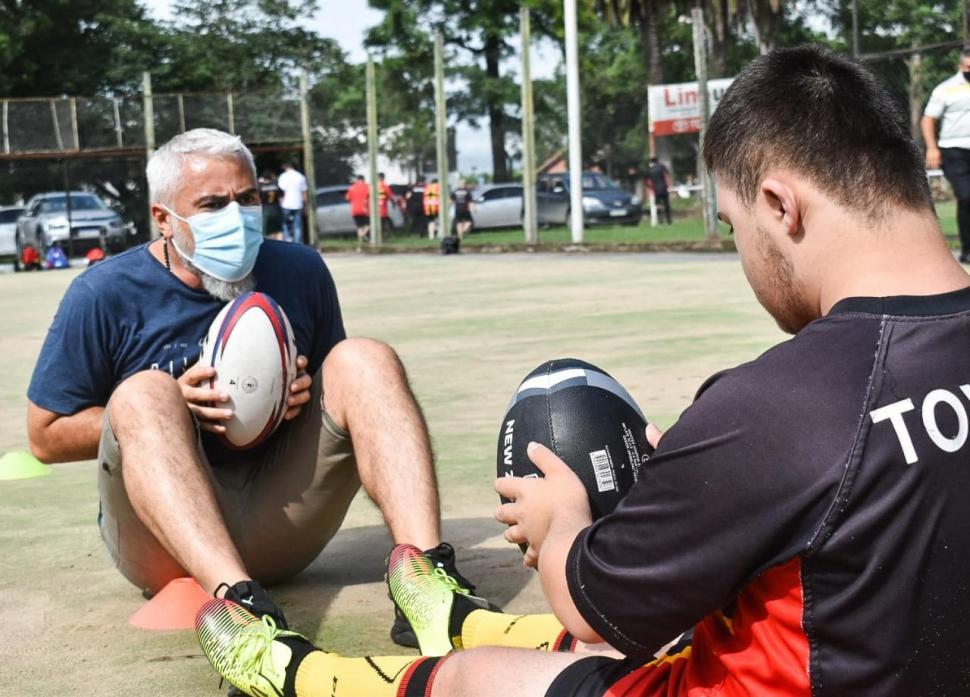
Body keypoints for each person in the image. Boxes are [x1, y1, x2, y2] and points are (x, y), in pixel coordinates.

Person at [196, 47, 970, 697]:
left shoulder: (774, 407)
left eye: (733, 226)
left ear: (780, 205)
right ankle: (459, 614)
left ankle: (299, 672)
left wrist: (562, 524)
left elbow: (599, 607)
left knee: (480, 676)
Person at [25, 128, 482, 650]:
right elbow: (45, 436)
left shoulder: (299, 269)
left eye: (247, 198)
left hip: (278, 515)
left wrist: (304, 391)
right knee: (147, 392)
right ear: (162, 219)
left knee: (366, 358)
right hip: (163, 544)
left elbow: (346, 390)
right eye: (212, 204)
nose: (235, 216)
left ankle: (428, 585)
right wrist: (178, 409)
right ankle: (240, 611)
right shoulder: (104, 292)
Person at [922, 47, 970, 263]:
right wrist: (932, 147)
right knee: (967, 196)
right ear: (963, 63)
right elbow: (928, 119)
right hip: (955, 150)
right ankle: (968, 249)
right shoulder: (946, 89)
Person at [277, 161, 307, 244]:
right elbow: (304, 192)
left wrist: (280, 202)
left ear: (286, 168)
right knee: (297, 226)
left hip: (286, 203)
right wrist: (305, 205)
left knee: (285, 224)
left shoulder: (283, 176)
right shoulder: (300, 176)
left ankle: (287, 240)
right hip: (298, 203)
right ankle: (297, 243)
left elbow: (281, 191)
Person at [645, 157, 672, 225]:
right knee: (666, 205)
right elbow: (667, 174)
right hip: (664, 188)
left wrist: (651, 187)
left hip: (656, 190)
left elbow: (646, 182)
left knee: (658, 205)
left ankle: (660, 220)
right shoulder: (662, 167)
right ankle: (669, 220)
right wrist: (669, 185)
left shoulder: (650, 170)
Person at [258, 169, 283, 239]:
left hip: (265, 209)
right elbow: (282, 197)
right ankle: (280, 245)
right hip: (276, 209)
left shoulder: (261, 187)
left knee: (264, 230)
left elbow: (258, 200)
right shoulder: (276, 185)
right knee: (278, 230)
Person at [346, 175, 370, 241]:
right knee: (368, 225)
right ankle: (364, 235)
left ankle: (360, 244)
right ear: (363, 179)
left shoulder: (351, 188)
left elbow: (347, 198)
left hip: (355, 210)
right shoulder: (367, 186)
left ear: (357, 179)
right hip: (364, 210)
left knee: (359, 227)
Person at [377, 172, 395, 237]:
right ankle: (382, 237)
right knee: (383, 225)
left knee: (376, 224)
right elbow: (391, 197)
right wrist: (393, 204)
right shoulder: (385, 186)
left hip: (373, 210)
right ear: (383, 178)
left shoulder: (372, 186)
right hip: (382, 210)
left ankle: (377, 237)